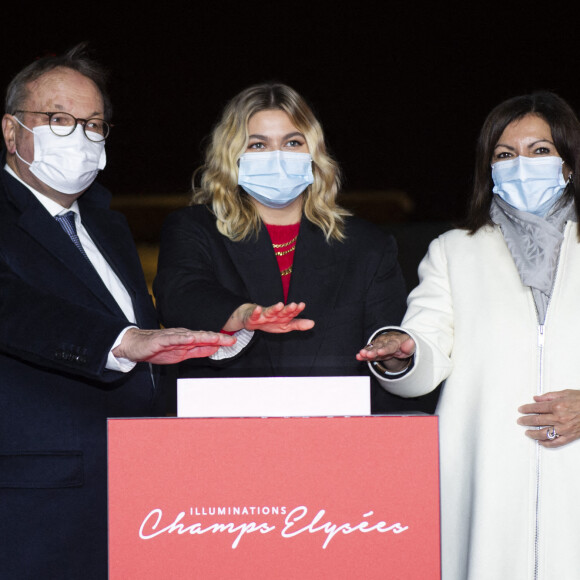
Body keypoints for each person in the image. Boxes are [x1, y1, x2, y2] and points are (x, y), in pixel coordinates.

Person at [0, 45, 235, 579]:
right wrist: (121, 340)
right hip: (37, 498)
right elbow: (13, 307)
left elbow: (147, 342)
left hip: (134, 489)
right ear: (12, 133)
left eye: (93, 124)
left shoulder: (108, 225)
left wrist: (221, 336)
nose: (79, 135)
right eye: (58, 119)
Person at [357, 91, 580, 579]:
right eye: (505, 155)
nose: (522, 165)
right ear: (488, 169)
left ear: (569, 162)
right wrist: (402, 354)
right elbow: (426, 346)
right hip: (487, 484)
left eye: (540, 150)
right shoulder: (454, 252)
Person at [153, 82, 415, 414]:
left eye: (292, 142)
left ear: (313, 153)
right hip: (222, 431)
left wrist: (393, 359)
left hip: (337, 435)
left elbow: (386, 349)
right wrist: (246, 315)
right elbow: (180, 295)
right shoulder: (194, 228)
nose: (278, 157)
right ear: (232, 156)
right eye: (259, 145)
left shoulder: (368, 246)